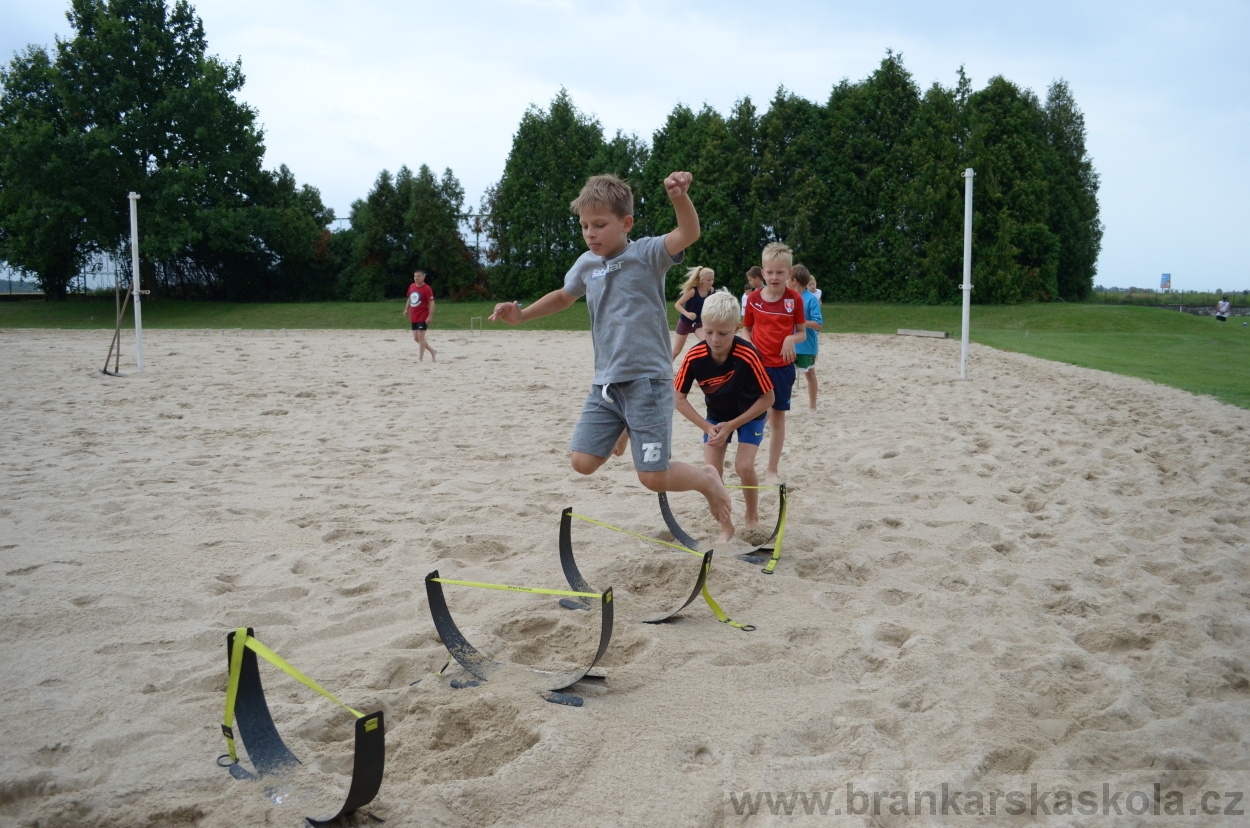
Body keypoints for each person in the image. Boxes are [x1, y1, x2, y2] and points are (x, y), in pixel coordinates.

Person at [488, 172, 734, 541]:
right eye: (584, 225)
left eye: (600, 224)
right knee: (582, 462)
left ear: (626, 223)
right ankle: (623, 426)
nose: (590, 233)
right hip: (605, 384)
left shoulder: (647, 254)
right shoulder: (586, 264)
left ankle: (707, 480)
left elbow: (689, 233)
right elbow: (563, 296)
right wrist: (521, 315)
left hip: (647, 382)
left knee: (652, 477)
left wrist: (679, 198)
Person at [675, 290, 775, 533]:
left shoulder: (748, 354)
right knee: (711, 471)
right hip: (716, 417)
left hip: (750, 414)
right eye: (709, 332)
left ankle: (752, 515)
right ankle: (726, 526)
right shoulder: (694, 356)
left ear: (737, 327)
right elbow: (677, 398)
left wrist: (732, 425)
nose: (715, 339)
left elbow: (768, 398)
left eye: (723, 333)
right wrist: (707, 426)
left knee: (744, 466)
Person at [742, 242, 805, 484]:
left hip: (782, 367)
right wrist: (751, 349)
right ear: (763, 273)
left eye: (780, 272)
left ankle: (771, 469)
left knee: (777, 417)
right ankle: (746, 461)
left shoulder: (794, 299)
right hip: (757, 367)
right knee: (753, 415)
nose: (774, 277)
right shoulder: (753, 299)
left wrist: (791, 338)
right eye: (770, 272)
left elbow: (802, 333)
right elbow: (746, 330)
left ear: (789, 273)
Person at [789, 265, 823, 415]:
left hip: (807, 346)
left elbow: (818, 324)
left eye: (787, 278)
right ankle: (782, 405)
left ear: (794, 281)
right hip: (790, 345)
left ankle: (812, 406)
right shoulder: (787, 297)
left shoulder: (811, 300)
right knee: (785, 375)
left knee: (809, 374)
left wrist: (801, 321)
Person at [671, 266, 715, 359]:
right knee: (676, 351)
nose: (711, 282)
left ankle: (705, 364)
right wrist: (687, 314)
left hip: (698, 323)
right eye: (708, 280)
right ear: (702, 280)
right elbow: (677, 305)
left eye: (712, 279)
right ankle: (666, 365)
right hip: (686, 322)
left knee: (708, 344)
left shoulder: (711, 290)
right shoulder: (692, 291)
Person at [403, 270, 436, 362]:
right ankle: (432, 351)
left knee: (421, 338)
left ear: (423, 277)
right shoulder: (412, 286)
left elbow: (432, 303)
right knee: (416, 338)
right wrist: (406, 309)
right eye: (415, 276)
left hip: (423, 315)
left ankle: (420, 358)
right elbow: (410, 298)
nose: (416, 278)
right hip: (414, 316)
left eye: (418, 276)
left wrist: (430, 316)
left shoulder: (427, 288)